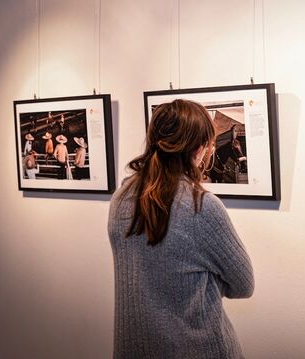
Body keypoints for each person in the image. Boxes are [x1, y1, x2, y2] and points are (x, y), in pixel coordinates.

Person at [108, 99, 254, 358]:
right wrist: (201, 282)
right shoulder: (201, 206)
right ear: (199, 149)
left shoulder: (121, 198)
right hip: (196, 349)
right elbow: (243, 285)